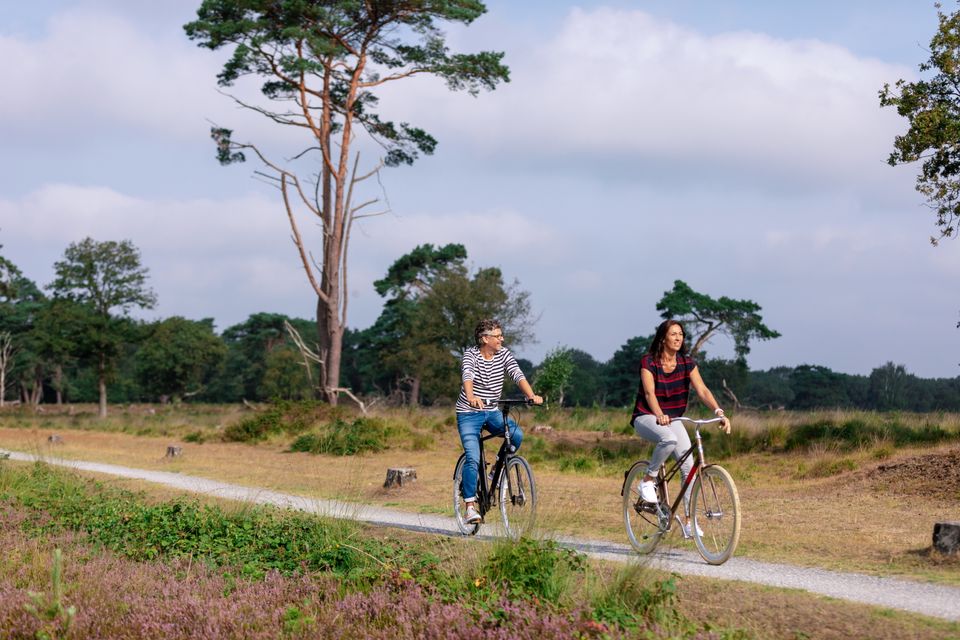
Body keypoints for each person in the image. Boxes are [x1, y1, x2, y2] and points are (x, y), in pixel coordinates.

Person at [630, 319, 731, 538]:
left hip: (672, 417)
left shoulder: (686, 363)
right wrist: (659, 414)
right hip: (646, 416)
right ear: (663, 338)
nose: (678, 338)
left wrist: (719, 412)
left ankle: (688, 522)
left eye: (681, 335)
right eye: (673, 334)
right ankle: (647, 481)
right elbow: (649, 394)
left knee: (689, 468)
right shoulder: (649, 362)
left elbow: (702, 390)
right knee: (668, 439)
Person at [456, 319, 543, 524]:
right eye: (498, 336)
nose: (502, 339)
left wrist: (531, 395)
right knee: (473, 458)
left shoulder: (503, 354)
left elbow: (516, 374)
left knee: (516, 435)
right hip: (469, 412)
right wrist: (471, 396)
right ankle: (470, 507)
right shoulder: (471, 355)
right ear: (485, 338)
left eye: (501, 335)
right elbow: (467, 375)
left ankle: (496, 469)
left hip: (492, 410)